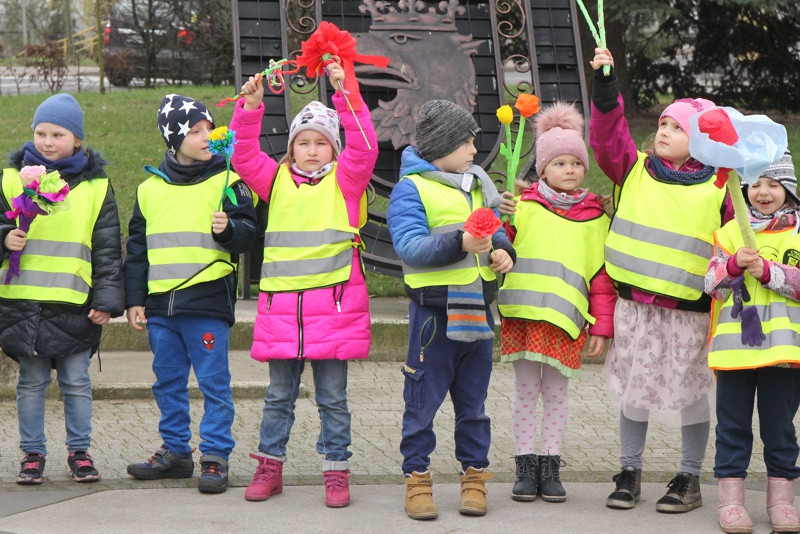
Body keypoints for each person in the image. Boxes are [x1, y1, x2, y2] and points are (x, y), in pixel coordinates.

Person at [230, 58, 377, 508]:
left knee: (332, 399)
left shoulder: (347, 182)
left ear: (334, 149)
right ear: (291, 149)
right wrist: (250, 108)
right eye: (303, 143)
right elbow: (242, 153)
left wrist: (344, 90)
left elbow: (366, 146)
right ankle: (269, 467)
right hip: (283, 315)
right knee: (278, 397)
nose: (312, 150)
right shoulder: (274, 180)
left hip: (334, 311)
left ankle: (336, 471)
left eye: (321, 143)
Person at [590, 47, 732, 513]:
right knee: (635, 389)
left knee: (691, 393)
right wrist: (606, 86)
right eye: (664, 124)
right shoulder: (634, 168)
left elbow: (732, 247)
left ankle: (688, 477)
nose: (664, 131)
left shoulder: (722, 186)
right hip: (636, 306)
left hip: (689, 313)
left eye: (678, 127)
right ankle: (629, 470)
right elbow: (609, 137)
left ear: (703, 142)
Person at [387, 99, 516, 520]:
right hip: (433, 316)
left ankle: (475, 477)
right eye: (466, 143)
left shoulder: (476, 185)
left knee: (474, 405)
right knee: (422, 402)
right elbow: (410, 247)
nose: (474, 151)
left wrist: (503, 253)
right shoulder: (411, 189)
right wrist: (459, 243)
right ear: (441, 145)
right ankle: (417, 479)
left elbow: (494, 232)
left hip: (477, 310)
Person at [124, 94, 257, 494]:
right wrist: (134, 301)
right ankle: (176, 453)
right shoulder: (149, 189)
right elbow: (137, 250)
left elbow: (249, 236)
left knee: (214, 384)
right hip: (161, 309)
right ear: (173, 138)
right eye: (194, 130)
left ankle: (215, 457)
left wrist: (228, 230)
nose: (206, 135)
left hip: (207, 305)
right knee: (167, 382)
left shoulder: (229, 181)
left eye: (208, 128)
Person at [0, 93, 124, 484]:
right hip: (25, 304)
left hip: (76, 305)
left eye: (58, 133)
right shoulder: (10, 179)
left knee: (76, 382)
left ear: (76, 140)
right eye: (41, 132)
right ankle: (32, 454)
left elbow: (106, 247)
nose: (48, 141)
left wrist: (107, 301)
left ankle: (80, 452)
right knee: (31, 383)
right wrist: (5, 238)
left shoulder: (96, 187)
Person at [496, 102, 616, 503]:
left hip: (565, 321)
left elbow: (601, 276)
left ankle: (551, 465)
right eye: (559, 163)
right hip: (525, 315)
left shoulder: (596, 218)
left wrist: (601, 324)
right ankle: (524, 466)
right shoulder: (523, 207)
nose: (569, 170)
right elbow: (498, 245)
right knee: (527, 391)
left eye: (576, 163)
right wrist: (501, 217)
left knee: (558, 395)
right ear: (542, 169)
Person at [705, 151, 800, 534]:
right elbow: (711, 286)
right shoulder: (729, 233)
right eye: (755, 184)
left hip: (783, 353)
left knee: (780, 429)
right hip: (734, 355)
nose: (763, 192)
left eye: (773, 184)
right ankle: (730, 502)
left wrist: (769, 272)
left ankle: (782, 503)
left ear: (788, 190)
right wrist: (731, 266)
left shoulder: (797, 232)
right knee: (732, 427)